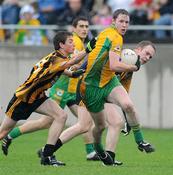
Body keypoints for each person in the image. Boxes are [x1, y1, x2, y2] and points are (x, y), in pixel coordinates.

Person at [2, 17, 98, 160]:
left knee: (61, 116)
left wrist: (73, 73)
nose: (73, 45)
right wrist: (87, 51)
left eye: (86, 26)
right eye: (70, 42)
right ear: (61, 45)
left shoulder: (57, 57)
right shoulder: (58, 58)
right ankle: (10, 136)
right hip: (23, 98)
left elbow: (61, 68)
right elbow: (71, 62)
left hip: (39, 96)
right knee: (3, 132)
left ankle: (47, 155)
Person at [78, 9, 155, 166]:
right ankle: (98, 150)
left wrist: (127, 116)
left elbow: (123, 89)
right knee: (97, 127)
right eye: (121, 21)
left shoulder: (117, 40)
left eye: (127, 22)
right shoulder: (115, 38)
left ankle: (140, 141)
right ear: (113, 21)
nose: (125, 24)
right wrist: (132, 67)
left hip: (108, 81)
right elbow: (112, 64)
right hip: (91, 86)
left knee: (127, 106)